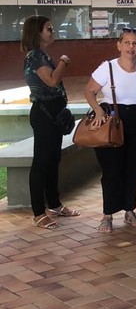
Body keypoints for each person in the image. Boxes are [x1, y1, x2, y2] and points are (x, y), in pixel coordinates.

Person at [84, 28, 136, 233]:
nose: (131, 47)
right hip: (113, 121)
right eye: (127, 43)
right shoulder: (108, 68)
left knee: (133, 168)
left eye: (135, 43)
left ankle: (129, 210)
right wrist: (98, 111)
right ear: (119, 45)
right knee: (112, 169)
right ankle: (108, 214)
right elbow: (89, 91)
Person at [21, 16, 80, 229]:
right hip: (44, 114)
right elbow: (52, 80)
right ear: (37, 32)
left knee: (53, 159)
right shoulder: (35, 56)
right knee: (41, 162)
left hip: (53, 112)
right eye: (48, 28)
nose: (52, 31)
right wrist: (64, 61)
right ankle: (38, 212)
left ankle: (54, 204)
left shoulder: (42, 55)